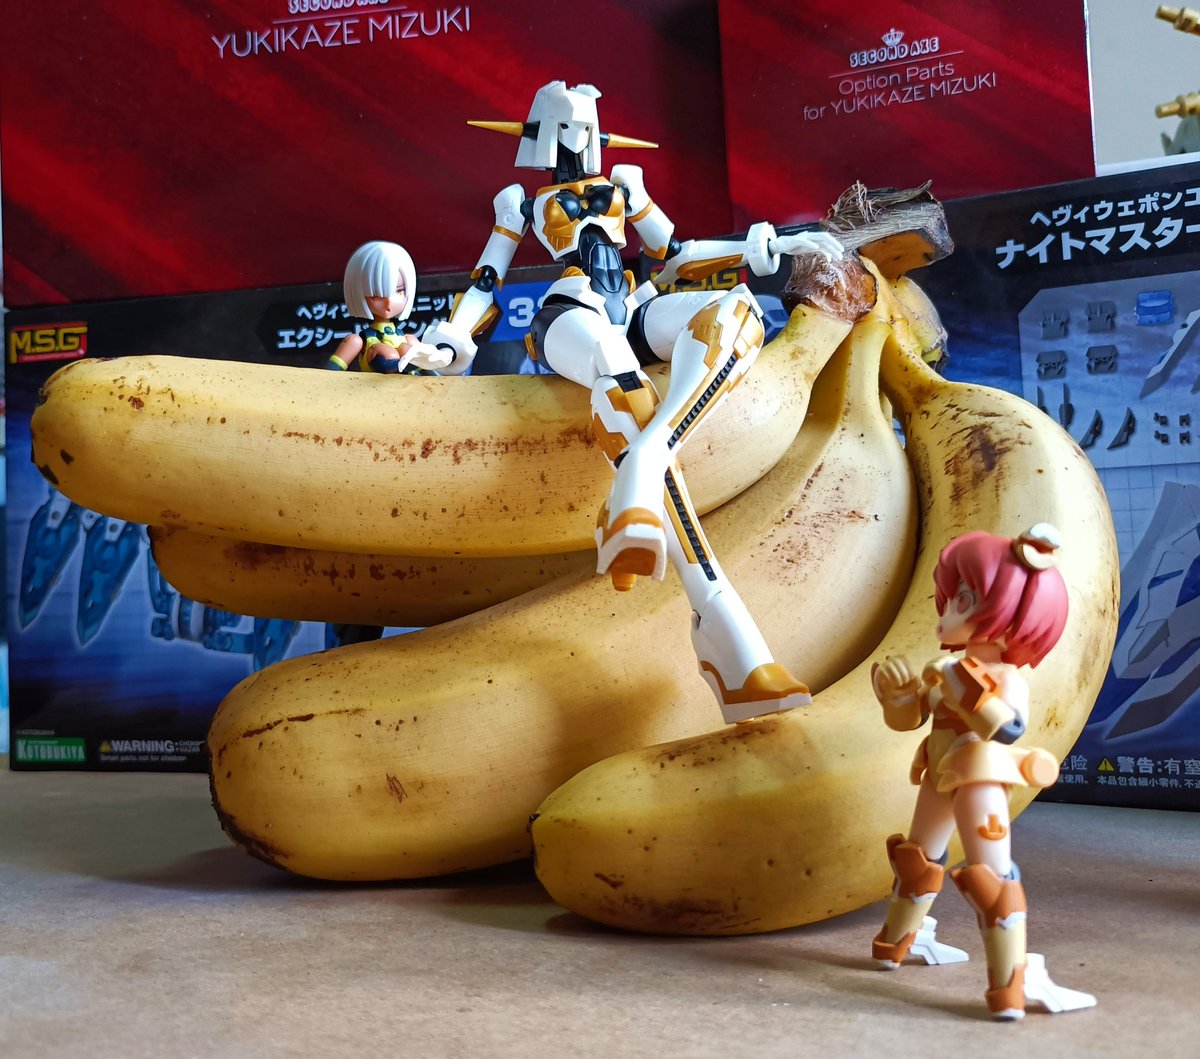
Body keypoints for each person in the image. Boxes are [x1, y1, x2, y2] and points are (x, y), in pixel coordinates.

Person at [423, 80, 844, 723]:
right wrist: (453, 336)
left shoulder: (626, 182)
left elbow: (674, 255)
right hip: (570, 313)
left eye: (587, 124)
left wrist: (772, 245)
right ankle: (726, 627)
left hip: (636, 306)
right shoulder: (519, 202)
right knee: (622, 383)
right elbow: (487, 279)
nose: (580, 137)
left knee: (736, 312)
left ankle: (641, 471)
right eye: (567, 125)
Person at [870, 523, 1095, 1020]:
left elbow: (1007, 727)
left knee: (993, 880)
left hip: (978, 778)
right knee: (916, 859)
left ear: (1012, 613)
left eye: (963, 601)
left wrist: (961, 686)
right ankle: (893, 945)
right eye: (949, 599)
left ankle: (1009, 987)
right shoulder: (945, 669)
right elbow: (911, 718)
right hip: (937, 773)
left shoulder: (1005, 678)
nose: (946, 613)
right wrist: (897, 698)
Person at [328, 241, 451, 375]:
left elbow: (431, 371)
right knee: (388, 353)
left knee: (409, 348)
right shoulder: (357, 341)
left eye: (399, 291)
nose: (389, 302)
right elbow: (328, 374)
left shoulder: (408, 339)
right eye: (377, 295)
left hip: (412, 386)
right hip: (375, 386)